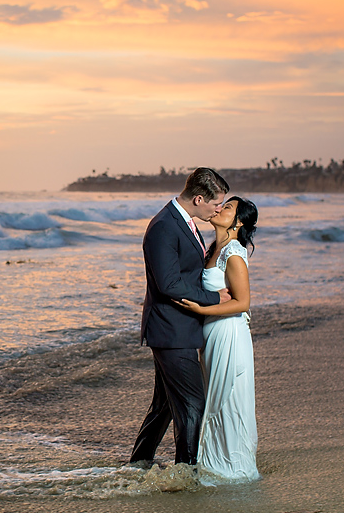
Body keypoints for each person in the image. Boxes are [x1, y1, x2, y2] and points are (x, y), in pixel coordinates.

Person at [130, 167, 231, 466]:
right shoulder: (164, 225)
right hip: (170, 330)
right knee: (193, 405)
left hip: (180, 328)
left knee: (163, 406)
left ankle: (139, 463)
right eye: (216, 204)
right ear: (199, 198)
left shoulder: (185, 222)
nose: (219, 210)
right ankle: (187, 471)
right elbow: (169, 284)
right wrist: (216, 298)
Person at [175, 196, 260, 482]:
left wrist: (202, 308)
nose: (219, 208)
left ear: (239, 222)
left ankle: (233, 469)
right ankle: (215, 462)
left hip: (229, 333)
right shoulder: (215, 248)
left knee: (228, 398)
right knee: (215, 395)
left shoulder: (233, 252)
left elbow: (243, 302)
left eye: (228, 208)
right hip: (212, 333)